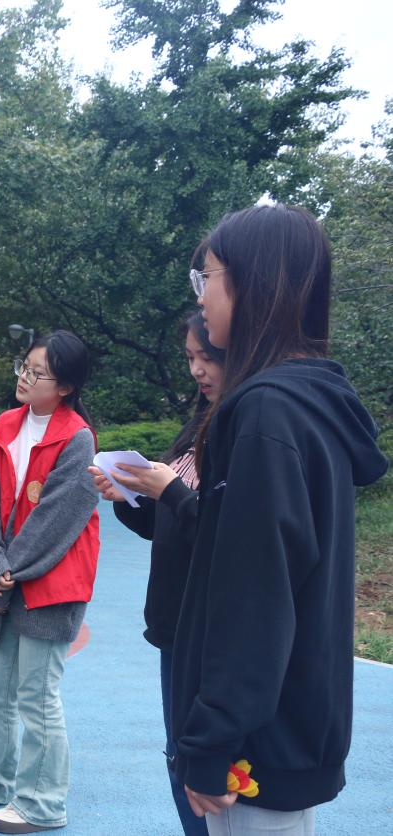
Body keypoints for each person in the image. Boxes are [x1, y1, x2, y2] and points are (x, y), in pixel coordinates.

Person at [171, 204, 387, 835]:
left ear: (254, 283)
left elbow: (256, 595)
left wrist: (212, 738)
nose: (201, 295)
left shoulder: (267, 414)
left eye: (208, 276)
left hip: (256, 745)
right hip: (285, 723)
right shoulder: (304, 403)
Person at [0, 330, 100, 834]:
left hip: (51, 586)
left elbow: (56, 521)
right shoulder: (6, 425)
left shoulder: (78, 438)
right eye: (25, 367)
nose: (25, 378)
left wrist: (9, 570)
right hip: (4, 577)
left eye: (38, 373)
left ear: (65, 387)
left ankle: (42, 802)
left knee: (37, 697)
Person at [87, 311, 224, 836]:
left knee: (206, 764)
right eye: (189, 357)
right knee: (179, 756)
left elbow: (225, 537)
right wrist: (129, 496)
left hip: (212, 628)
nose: (196, 369)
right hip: (174, 625)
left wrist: (170, 491)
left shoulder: (242, 434)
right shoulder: (199, 426)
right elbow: (166, 526)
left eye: (207, 357)